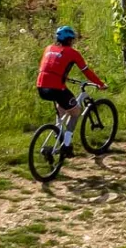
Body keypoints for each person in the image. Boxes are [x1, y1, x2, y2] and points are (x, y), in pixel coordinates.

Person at [36, 26, 107, 158]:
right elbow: (86, 71)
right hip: (56, 87)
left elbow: (51, 67)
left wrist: (63, 76)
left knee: (62, 106)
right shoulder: (73, 53)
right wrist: (100, 84)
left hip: (41, 86)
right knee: (75, 112)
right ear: (69, 40)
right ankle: (67, 145)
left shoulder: (48, 48)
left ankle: (59, 133)